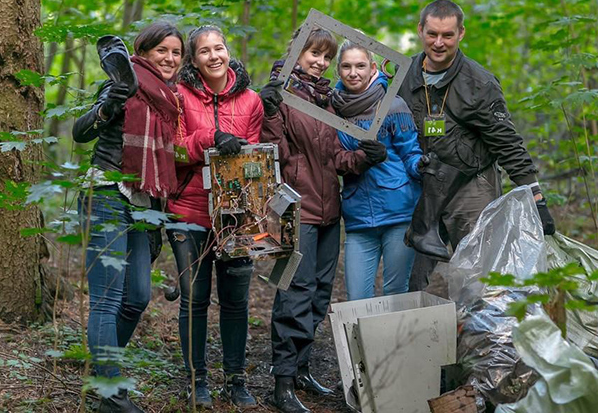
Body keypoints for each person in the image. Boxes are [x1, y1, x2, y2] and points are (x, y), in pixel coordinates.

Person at [260, 27, 386, 413]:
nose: (319, 61)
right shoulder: (279, 97)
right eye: (313, 53)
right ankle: (281, 384)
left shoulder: (327, 102)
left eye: (325, 56)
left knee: (318, 295)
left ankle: (301, 369)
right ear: (296, 52)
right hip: (296, 212)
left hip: (331, 212)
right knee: (294, 296)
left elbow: (335, 159)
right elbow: (272, 155)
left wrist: (365, 156)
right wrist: (267, 109)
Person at [398, 0, 556, 290]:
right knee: (418, 275)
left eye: (448, 35)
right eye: (432, 34)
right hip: (424, 184)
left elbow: (507, 144)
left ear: (461, 34)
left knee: (477, 272)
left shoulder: (479, 84)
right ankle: (426, 330)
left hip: (471, 186)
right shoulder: (404, 75)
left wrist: (536, 198)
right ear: (420, 31)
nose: (439, 43)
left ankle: (482, 331)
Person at [73, 22, 184, 413]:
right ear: (144, 51)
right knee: (107, 300)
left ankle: (102, 379)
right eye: (162, 51)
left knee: (137, 296)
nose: (169, 58)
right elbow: (79, 131)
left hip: (143, 205)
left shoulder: (171, 98)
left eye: (176, 52)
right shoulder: (125, 81)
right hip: (106, 194)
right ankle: (112, 393)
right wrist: (110, 103)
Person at [166, 25, 263, 410]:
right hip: (188, 211)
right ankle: (197, 380)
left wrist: (241, 152)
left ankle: (236, 380)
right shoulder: (177, 95)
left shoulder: (252, 100)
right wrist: (209, 137)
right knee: (194, 298)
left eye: (218, 48)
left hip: (235, 215)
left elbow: (256, 159)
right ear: (193, 59)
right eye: (204, 51)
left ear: (228, 51)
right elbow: (172, 151)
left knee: (236, 301)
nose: (213, 56)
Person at [332, 41, 423, 301]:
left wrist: (421, 167)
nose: (353, 73)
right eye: (347, 66)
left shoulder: (393, 105)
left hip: (398, 213)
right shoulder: (333, 109)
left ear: (373, 68)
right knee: (357, 297)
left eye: (360, 66)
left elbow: (410, 152)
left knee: (395, 292)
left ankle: (392, 343)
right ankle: (364, 343)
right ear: (338, 70)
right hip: (358, 216)